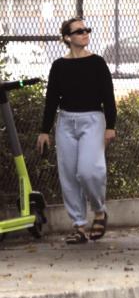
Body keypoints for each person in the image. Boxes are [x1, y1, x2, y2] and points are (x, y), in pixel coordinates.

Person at [35, 17, 116, 244]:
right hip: (66, 122)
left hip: (93, 120)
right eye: (79, 31)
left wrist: (111, 126)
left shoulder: (98, 63)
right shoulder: (59, 66)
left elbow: (109, 97)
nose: (85, 34)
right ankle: (79, 226)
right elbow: (51, 100)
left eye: (86, 30)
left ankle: (99, 211)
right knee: (69, 175)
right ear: (67, 38)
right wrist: (44, 130)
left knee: (89, 171)